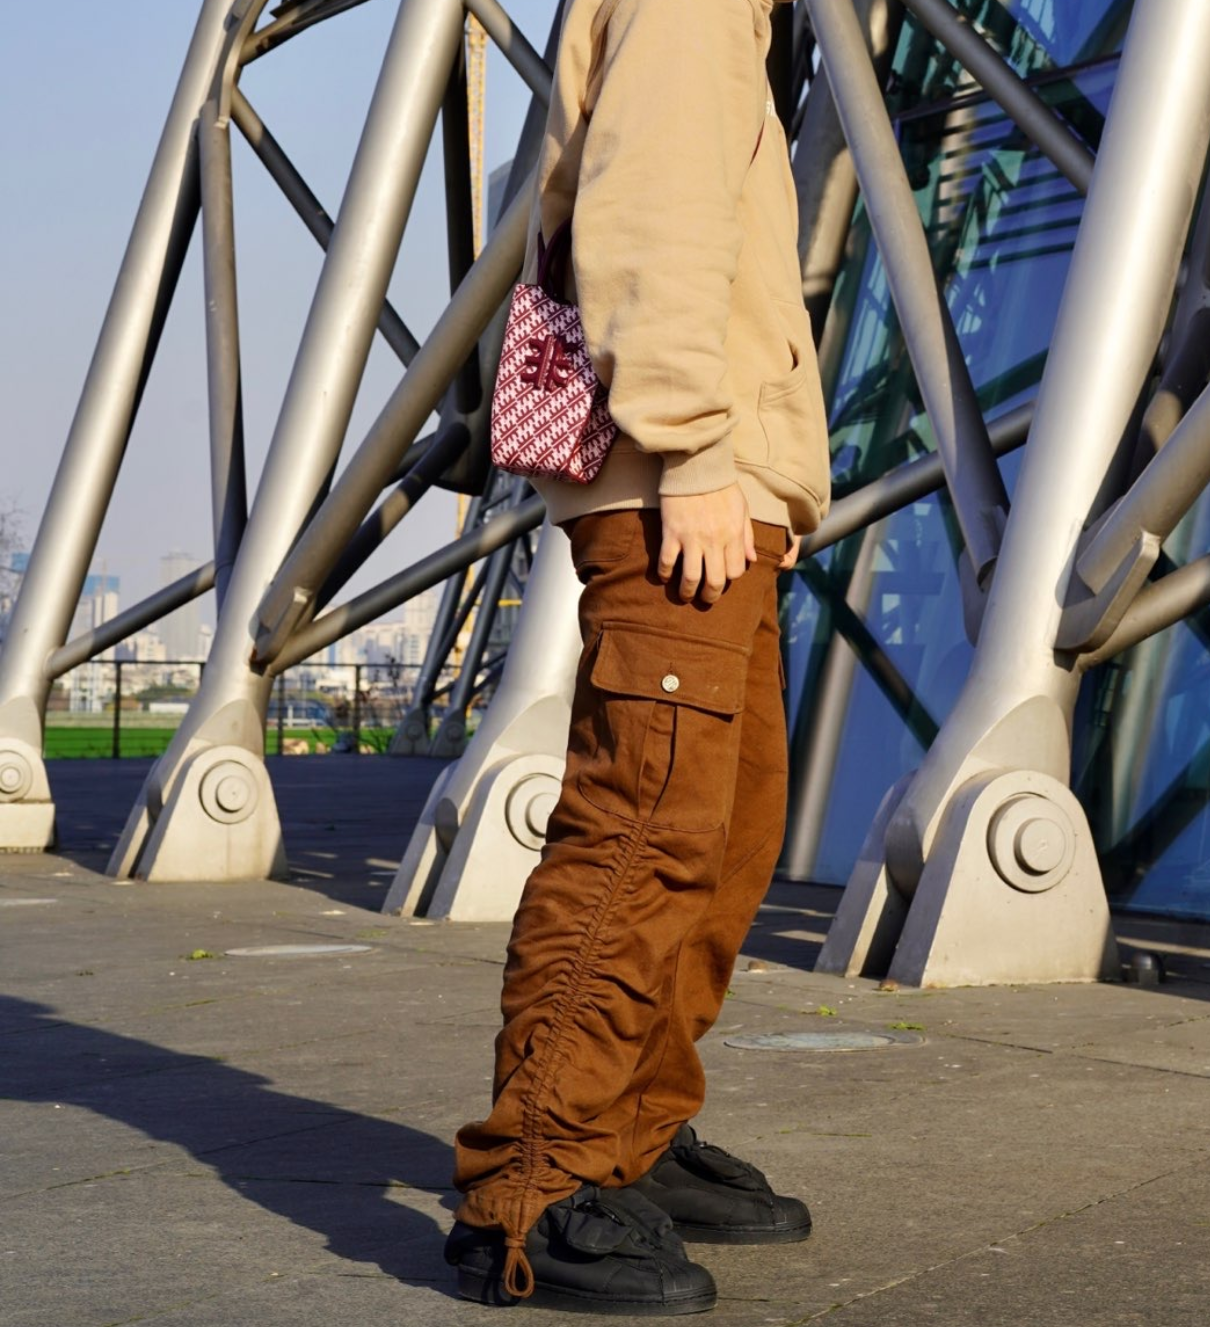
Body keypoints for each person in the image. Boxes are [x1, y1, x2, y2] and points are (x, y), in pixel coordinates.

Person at [444, 0, 831, 1313]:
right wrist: (691, 446)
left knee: (726, 833)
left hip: (719, 488)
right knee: (644, 830)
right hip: (675, 483)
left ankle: (631, 1135)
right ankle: (537, 1180)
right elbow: (648, 211)